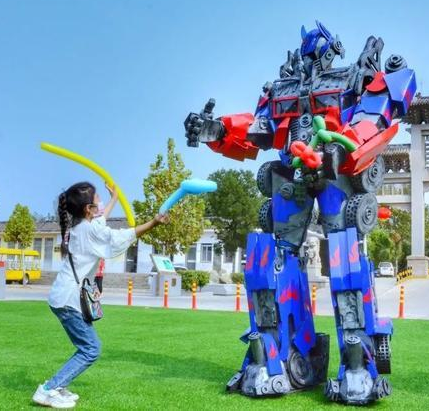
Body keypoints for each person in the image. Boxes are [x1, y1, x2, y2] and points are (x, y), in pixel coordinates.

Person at [32, 182, 168, 408]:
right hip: (68, 300)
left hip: (63, 296)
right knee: (91, 349)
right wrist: (153, 223)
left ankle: (58, 385)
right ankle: (48, 390)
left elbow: (101, 219)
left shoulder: (80, 227)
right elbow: (120, 236)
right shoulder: (89, 230)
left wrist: (114, 198)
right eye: (98, 200)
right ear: (88, 209)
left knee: (86, 347)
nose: (101, 204)